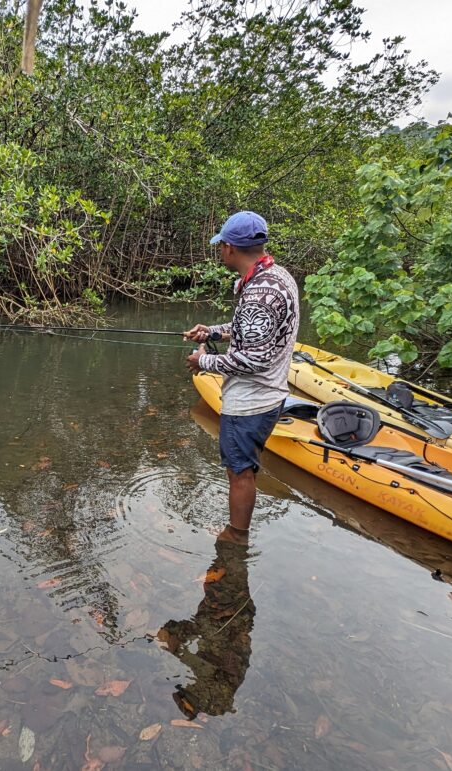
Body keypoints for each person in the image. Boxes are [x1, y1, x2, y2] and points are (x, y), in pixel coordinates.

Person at [184, 211, 299, 536]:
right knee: (243, 468)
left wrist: (202, 362)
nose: (220, 251)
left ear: (230, 248)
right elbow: (252, 330)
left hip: (251, 402)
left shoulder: (259, 296)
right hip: (271, 394)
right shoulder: (277, 277)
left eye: (221, 245)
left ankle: (235, 537)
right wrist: (213, 333)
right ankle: (238, 532)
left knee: (239, 472)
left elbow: (253, 360)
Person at [157, 526, 254, 718]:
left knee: (226, 579)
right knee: (229, 576)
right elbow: (205, 666)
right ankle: (235, 537)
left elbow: (201, 660)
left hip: (225, 618)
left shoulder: (212, 695)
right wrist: (177, 648)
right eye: (188, 690)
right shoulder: (215, 695)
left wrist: (174, 638)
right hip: (229, 614)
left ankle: (234, 537)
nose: (189, 684)